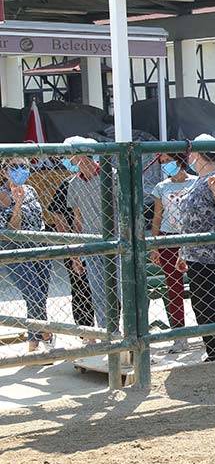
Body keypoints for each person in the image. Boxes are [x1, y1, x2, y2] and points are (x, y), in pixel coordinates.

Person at [176, 137, 215, 362]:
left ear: (198, 155)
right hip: (195, 255)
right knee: (201, 305)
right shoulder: (197, 181)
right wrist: (183, 251)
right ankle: (213, 351)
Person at [64, 136, 119, 331]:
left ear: (79, 156)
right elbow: (77, 220)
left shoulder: (111, 176)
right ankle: (109, 333)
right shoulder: (74, 184)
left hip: (116, 242)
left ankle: (128, 332)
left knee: (121, 290)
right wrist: (77, 253)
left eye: (69, 156)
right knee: (98, 293)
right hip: (91, 244)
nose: (66, 161)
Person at [0, 156, 53, 352]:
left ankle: (33, 343)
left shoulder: (31, 190)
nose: (20, 170)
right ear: (3, 171)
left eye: (23, 166)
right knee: (34, 294)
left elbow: (40, 220)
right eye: (14, 167)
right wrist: (17, 203)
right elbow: (12, 229)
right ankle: (46, 333)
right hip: (15, 249)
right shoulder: (2, 195)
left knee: (40, 296)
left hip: (39, 247)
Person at [149, 152, 197, 353]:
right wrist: (155, 245)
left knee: (198, 285)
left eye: (169, 161)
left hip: (193, 238)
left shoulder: (196, 182)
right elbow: (157, 217)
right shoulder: (161, 187)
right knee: (174, 288)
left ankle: (207, 329)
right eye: (162, 162)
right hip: (169, 239)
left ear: (180, 160)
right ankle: (180, 335)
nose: (166, 165)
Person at [45, 156, 94, 332]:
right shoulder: (68, 183)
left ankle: (109, 330)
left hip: (98, 240)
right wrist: (71, 244)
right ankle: (86, 332)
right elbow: (58, 215)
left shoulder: (104, 180)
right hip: (76, 242)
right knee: (81, 289)